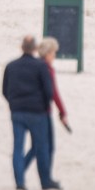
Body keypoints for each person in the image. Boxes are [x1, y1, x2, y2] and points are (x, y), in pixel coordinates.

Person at [1, 35, 59, 190]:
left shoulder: (11, 66)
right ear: (35, 49)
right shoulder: (40, 66)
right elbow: (49, 91)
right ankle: (45, 181)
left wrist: (14, 103)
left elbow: (5, 90)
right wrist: (44, 105)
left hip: (17, 111)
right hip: (37, 112)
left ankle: (20, 181)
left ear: (21, 48)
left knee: (18, 147)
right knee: (41, 146)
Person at [23, 38, 69, 181]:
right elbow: (53, 92)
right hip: (43, 112)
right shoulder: (46, 68)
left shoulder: (35, 65)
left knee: (37, 145)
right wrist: (62, 112)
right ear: (48, 53)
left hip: (32, 109)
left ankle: (21, 169)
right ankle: (45, 177)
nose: (55, 55)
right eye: (54, 52)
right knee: (46, 146)